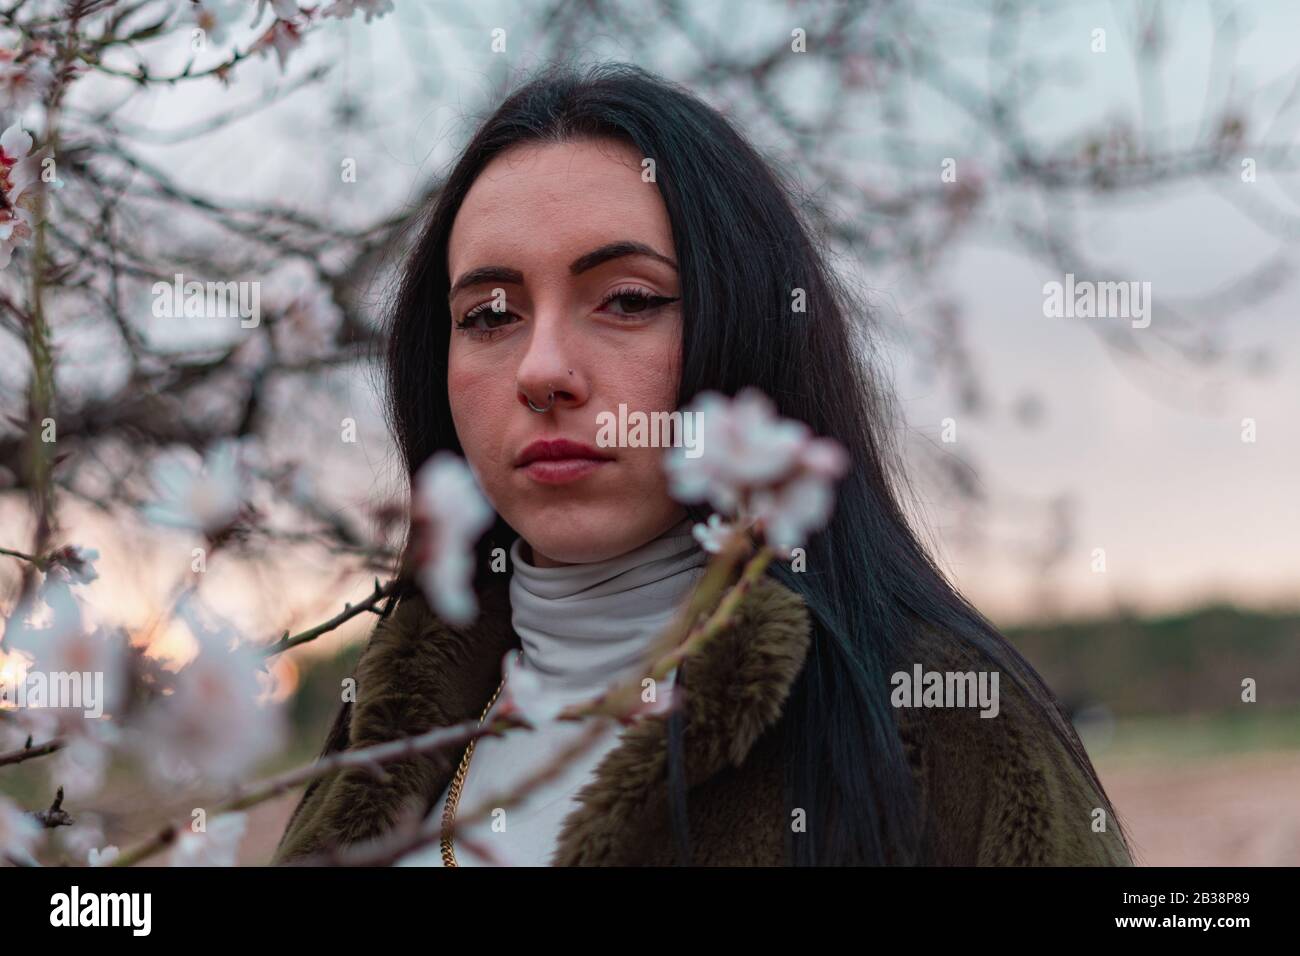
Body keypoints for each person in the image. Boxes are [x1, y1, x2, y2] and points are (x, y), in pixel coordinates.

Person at [272, 62, 1133, 867]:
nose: (542, 371)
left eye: (628, 301)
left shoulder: (941, 726)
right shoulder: (389, 726)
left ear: (747, 328)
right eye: (491, 314)